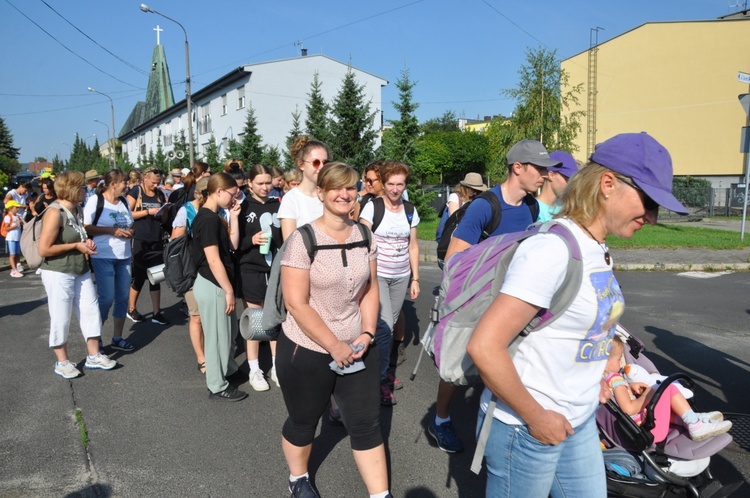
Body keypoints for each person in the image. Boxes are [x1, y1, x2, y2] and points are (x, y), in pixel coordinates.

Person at [465, 132, 689, 497]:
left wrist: (598, 375)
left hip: (580, 416)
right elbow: (484, 347)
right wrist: (538, 419)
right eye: (648, 201)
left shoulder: (597, 247)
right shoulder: (551, 250)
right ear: (607, 184)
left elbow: (578, 327)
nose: (652, 216)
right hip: (526, 426)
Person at [429, 139, 557, 454]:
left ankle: (499, 427)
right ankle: (441, 419)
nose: (545, 175)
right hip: (476, 299)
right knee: (457, 367)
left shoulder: (531, 206)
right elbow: (456, 263)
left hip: (510, 299)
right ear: (518, 168)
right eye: (539, 169)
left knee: (506, 362)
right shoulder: (485, 206)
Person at [277, 161, 390, 498]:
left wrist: (368, 332)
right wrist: (333, 345)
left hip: (357, 344)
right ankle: (298, 479)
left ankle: (380, 495)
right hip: (307, 348)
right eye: (336, 188)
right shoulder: (303, 239)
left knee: (366, 424)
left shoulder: (365, 235)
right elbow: (297, 304)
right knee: (304, 421)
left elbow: (370, 288)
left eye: (351, 187)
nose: (344, 193)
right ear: (323, 193)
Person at [37, 171, 116, 379]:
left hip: (79, 269)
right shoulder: (55, 212)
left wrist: (85, 243)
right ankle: (62, 362)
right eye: (82, 187)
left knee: (91, 312)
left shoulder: (76, 209)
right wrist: (77, 245)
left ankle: (94, 355)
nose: (85, 191)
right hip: (58, 271)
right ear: (73, 189)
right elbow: (44, 249)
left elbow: (78, 236)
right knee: (61, 316)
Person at [359, 161, 420, 406]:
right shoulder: (372, 208)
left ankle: (373, 367)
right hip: (378, 274)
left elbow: (412, 246)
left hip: (401, 275)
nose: (395, 189)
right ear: (383, 184)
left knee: (390, 323)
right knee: (384, 327)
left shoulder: (409, 210)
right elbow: (362, 242)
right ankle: (380, 379)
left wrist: (415, 278)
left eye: (400, 184)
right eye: (391, 184)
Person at [605, 335, 731, 442]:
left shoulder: (601, 380)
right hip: (647, 431)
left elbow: (619, 396)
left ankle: (691, 419)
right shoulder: (615, 379)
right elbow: (629, 409)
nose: (621, 363)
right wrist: (647, 394)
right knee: (667, 388)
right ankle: (694, 423)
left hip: (642, 426)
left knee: (662, 396)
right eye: (618, 359)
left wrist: (631, 387)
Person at [192, 172, 246, 401]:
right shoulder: (207, 219)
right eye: (232, 194)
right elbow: (213, 260)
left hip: (217, 285)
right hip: (214, 285)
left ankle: (228, 369)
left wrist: (234, 216)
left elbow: (231, 247)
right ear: (219, 191)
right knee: (216, 337)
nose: (234, 199)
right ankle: (216, 385)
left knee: (227, 333)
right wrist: (229, 290)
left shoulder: (215, 216)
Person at [237, 164, 282, 391]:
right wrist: (250, 241)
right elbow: (234, 244)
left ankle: (276, 366)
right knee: (255, 318)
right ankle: (254, 369)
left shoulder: (278, 204)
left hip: (275, 269)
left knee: (273, 318)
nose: (265, 187)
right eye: (260, 183)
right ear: (249, 183)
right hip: (251, 269)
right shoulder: (242, 207)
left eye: (268, 182)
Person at [83, 169, 136, 352]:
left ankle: (117, 337)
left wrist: (131, 232)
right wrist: (110, 231)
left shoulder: (123, 201)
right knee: (106, 298)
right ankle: (95, 339)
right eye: (124, 182)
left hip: (124, 255)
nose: (127, 185)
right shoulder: (95, 201)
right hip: (103, 255)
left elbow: (130, 223)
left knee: (122, 298)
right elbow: (86, 226)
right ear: (113, 184)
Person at [171, 177, 209, 375]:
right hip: (191, 271)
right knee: (197, 317)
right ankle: (201, 358)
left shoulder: (220, 209)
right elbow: (174, 243)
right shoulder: (186, 211)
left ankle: (213, 353)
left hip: (212, 270)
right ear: (199, 194)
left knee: (211, 316)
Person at [126, 166, 169, 325]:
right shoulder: (135, 192)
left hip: (156, 239)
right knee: (139, 276)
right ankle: (131, 309)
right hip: (139, 239)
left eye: (158, 182)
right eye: (153, 182)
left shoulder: (159, 194)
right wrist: (147, 212)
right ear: (145, 178)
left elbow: (163, 218)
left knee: (156, 276)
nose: (156, 185)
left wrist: (164, 212)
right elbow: (127, 214)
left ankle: (157, 313)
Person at [278, 136, 328, 240]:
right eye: (316, 163)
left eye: (325, 162)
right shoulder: (291, 199)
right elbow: (289, 244)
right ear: (301, 165)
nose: (322, 167)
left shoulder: (330, 194)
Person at [435, 172, 488, 243]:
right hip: (451, 237)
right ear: (465, 187)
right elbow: (455, 217)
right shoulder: (455, 197)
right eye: (472, 189)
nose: (474, 192)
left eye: (477, 190)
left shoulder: (477, 199)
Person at [536, 150, 579, 222]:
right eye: (567, 179)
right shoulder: (533, 210)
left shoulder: (567, 207)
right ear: (551, 175)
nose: (570, 185)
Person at [3, 200, 24, 278]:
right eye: (16, 207)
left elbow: (24, 222)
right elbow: (7, 228)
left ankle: (16, 268)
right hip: (11, 238)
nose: (18, 209)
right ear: (11, 208)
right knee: (12, 255)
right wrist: (16, 225)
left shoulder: (18, 215)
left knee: (17, 254)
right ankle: (14, 270)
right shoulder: (8, 217)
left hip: (17, 238)